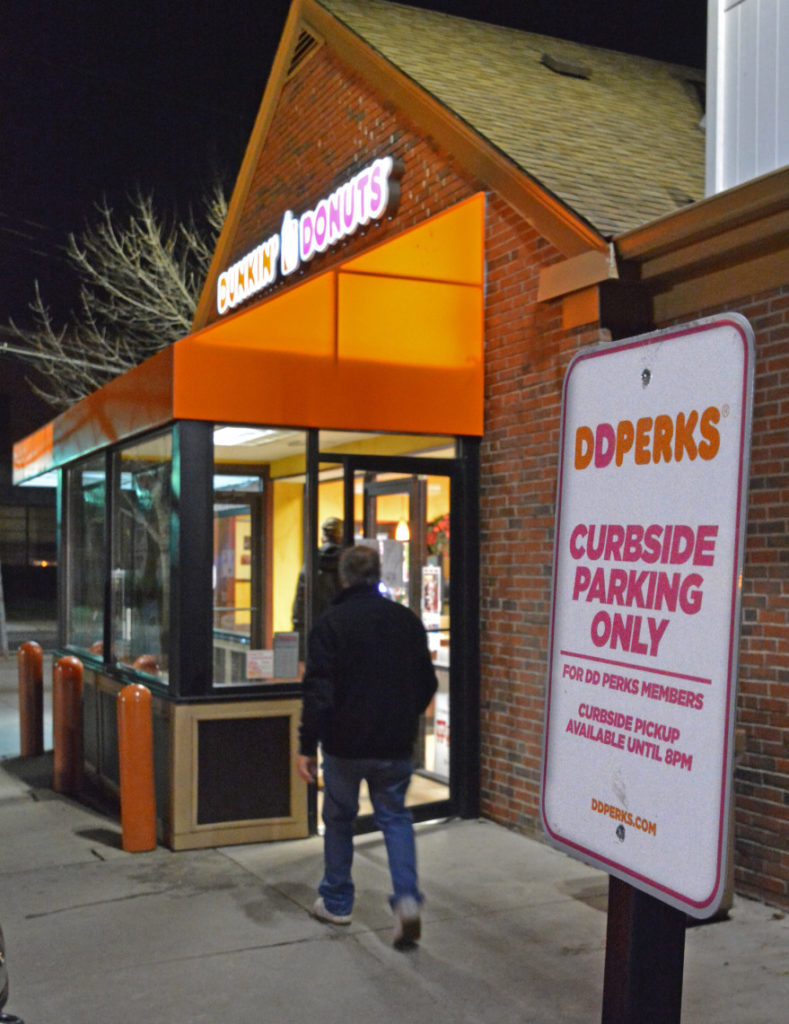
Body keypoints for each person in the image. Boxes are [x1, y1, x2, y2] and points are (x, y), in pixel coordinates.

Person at [296, 544, 438, 949]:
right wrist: (402, 716)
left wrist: (306, 745)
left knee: (339, 819)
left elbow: (318, 691)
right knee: (394, 818)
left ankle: (338, 901)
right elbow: (426, 682)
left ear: (342, 578)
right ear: (377, 576)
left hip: (344, 745)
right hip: (393, 744)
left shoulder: (331, 623)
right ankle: (407, 900)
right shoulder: (406, 621)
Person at [291, 516, 343, 660]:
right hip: (345, 634)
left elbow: (300, 607)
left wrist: (301, 646)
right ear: (341, 537)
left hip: (317, 633)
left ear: (323, 537)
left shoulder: (310, 565)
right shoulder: (350, 564)